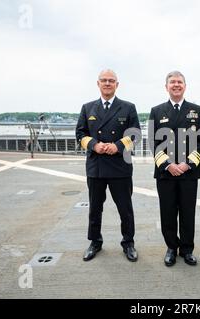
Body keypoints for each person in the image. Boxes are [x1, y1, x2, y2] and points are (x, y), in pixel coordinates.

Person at [76, 69, 140, 262]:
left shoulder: (128, 107)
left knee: (125, 209)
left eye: (111, 81)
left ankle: (128, 243)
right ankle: (95, 241)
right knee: (95, 208)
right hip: (96, 166)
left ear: (117, 84)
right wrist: (95, 145)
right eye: (104, 80)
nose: (107, 83)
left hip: (120, 166)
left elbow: (135, 134)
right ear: (98, 84)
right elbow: (80, 134)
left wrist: (118, 146)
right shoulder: (88, 108)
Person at [149, 71, 200, 266]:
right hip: (165, 173)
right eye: (172, 82)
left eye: (179, 82)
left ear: (185, 86)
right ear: (166, 87)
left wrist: (186, 164)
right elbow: (152, 142)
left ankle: (187, 249)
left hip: (188, 172)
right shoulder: (156, 111)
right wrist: (168, 165)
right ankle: (171, 248)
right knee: (167, 211)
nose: (176, 85)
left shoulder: (197, 111)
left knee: (188, 212)